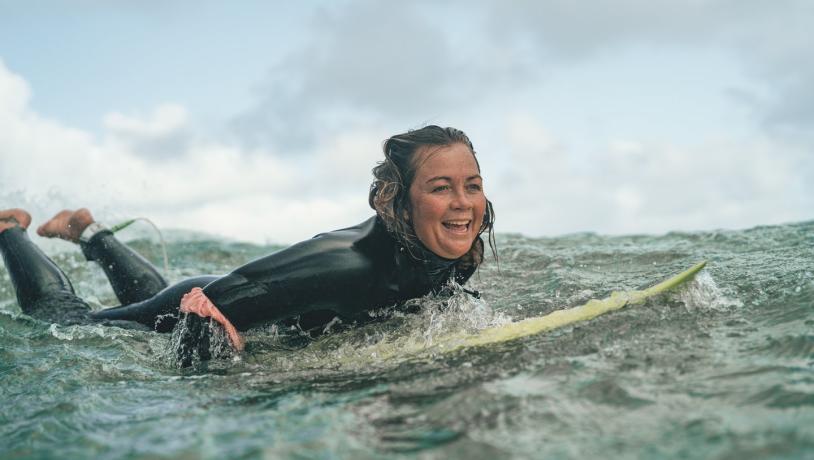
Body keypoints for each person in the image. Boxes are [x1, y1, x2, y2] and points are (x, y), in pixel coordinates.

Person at [0, 125, 496, 365]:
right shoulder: (346, 265)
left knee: (144, 305)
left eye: (471, 185)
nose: (463, 204)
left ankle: (88, 230)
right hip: (214, 301)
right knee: (65, 321)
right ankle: (10, 229)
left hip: (237, 297)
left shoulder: (454, 244)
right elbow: (209, 309)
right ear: (399, 201)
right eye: (440, 187)